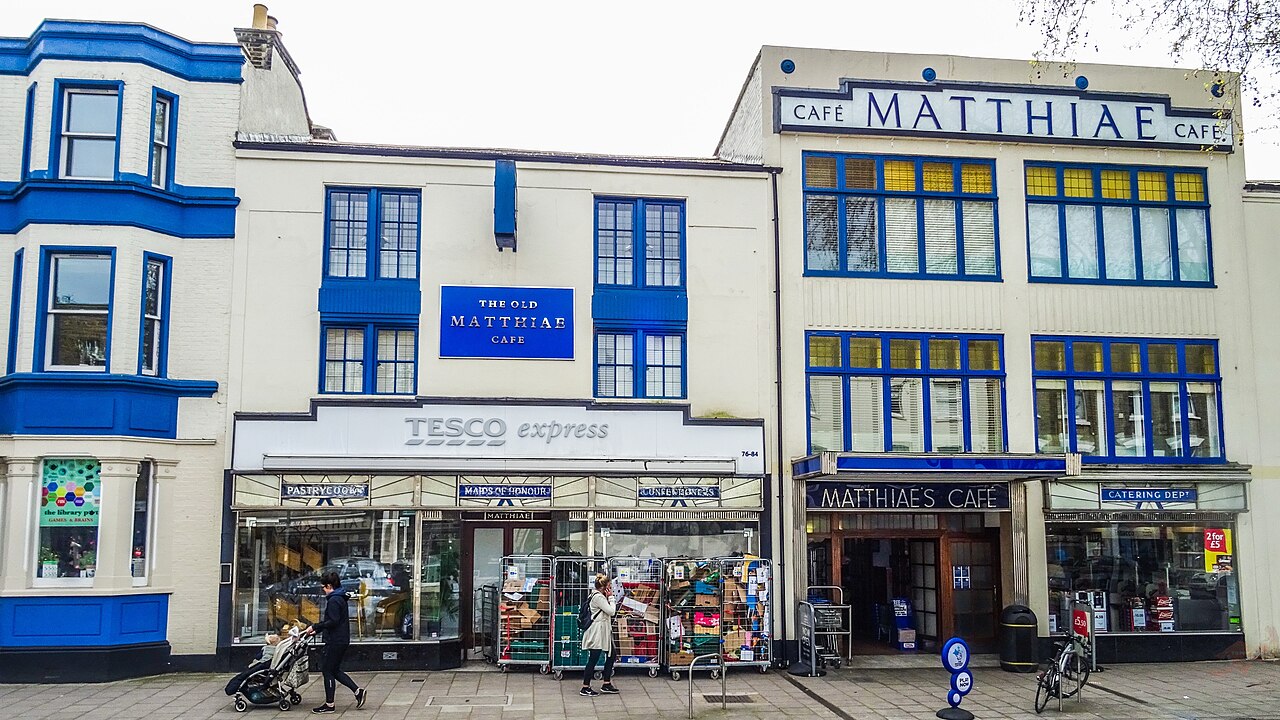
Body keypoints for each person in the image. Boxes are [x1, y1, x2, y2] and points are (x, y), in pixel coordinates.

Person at [305, 571, 368, 714]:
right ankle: (358, 691)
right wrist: (319, 630)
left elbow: (333, 621)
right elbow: (335, 621)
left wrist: (315, 627)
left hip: (335, 641)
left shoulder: (334, 600)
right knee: (334, 669)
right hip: (341, 639)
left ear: (329, 585)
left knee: (327, 670)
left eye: (323, 587)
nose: (322, 589)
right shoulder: (340, 597)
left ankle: (329, 704)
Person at [580, 573, 620, 697]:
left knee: (612, 654)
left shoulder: (596, 595)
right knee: (594, 658)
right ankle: (585, 687)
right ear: (604, 587)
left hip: (603, 631)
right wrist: (611, 598)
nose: (611, 589)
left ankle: (606, 683)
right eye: (609, 586)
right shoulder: (599, 597)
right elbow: (611, 611)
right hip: (597, 632)